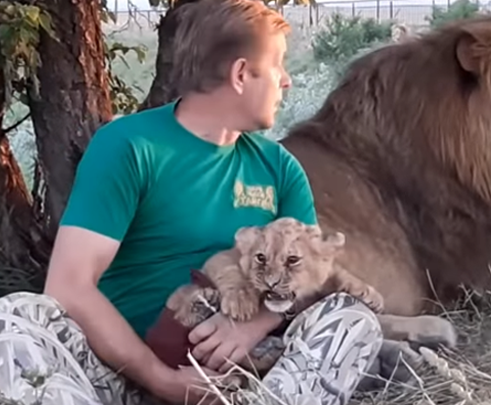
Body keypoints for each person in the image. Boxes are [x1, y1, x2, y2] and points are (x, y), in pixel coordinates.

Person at [0, 1, 385, 404]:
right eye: (278, 67)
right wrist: (159, 378)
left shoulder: (278, 168)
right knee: (16, 318)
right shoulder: (129, 146)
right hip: (115, 376)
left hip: (241, 381)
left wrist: (250, 325)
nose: (286, 81)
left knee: (351, 318)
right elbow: (69, 286)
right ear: (241, 74)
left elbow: (310, 278)